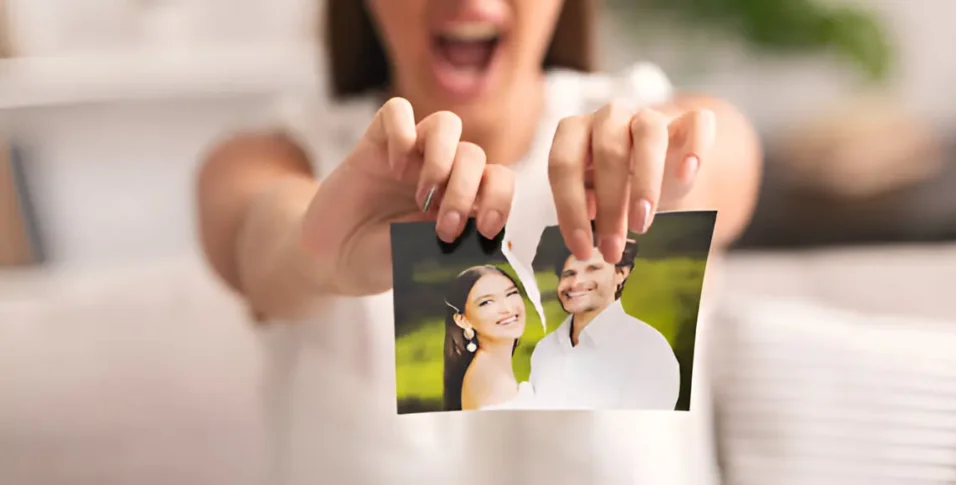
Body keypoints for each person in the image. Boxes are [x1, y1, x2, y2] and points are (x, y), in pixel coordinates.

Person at [195, 0, 762, 483]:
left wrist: (660, 163)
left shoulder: (651, 123)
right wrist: (315, 253)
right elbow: (263, 238)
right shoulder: (276, 157)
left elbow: (720, 156)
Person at [531, 239, 680, 410]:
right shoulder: (545, 349)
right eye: (569, 273)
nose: (576, 282)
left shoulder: (649, 350)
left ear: (621, 273)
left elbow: (645, 433)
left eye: (593, 269)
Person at [441, 265, 536, 411]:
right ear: (463, 320)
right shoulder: (489, 381)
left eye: (511, 294)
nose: (508, 308)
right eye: (486, 302)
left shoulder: (488, 366)